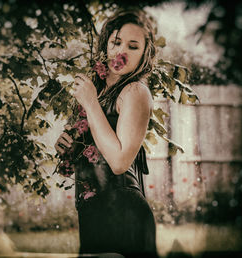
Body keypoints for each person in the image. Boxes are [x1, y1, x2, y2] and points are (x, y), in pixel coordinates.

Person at [55, 9, 157, 258]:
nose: (121, 51)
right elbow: (99, 148)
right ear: (106, 44)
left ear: (145, 54)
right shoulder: (98, 92)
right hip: (92, 210)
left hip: (122, 211)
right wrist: (71, 146)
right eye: (116, 42)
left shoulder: (135, 92)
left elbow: (120, 162)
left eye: (133, 46)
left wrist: (90, 103)